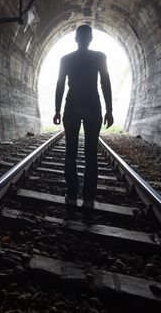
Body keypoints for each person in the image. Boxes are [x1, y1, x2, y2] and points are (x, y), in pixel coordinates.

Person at [53, 25, 113, 209]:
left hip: (72, 106)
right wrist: (109, 110)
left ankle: (71, 195)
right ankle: (88, 200)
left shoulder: (66, 59)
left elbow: (60, 85)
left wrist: (57, 109)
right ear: (91, 39)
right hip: (92, 106)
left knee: (70, 153)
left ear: (76, 39)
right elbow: (105, 82)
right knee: (91, 155)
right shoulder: (99, 57)